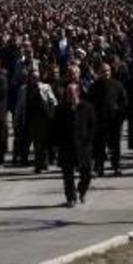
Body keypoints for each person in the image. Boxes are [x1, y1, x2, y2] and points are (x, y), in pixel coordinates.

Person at [53, 65, 96, 207]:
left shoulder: (87, 107)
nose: (70, 95)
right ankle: (70, 197)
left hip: (83, 146)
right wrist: (57, 144)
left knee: (87, 173)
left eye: (73, 93)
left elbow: (92, 126)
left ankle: (82, 190)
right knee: (68, 175)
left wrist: (89, 141)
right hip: (67, 146)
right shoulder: (60, 109)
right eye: (68, 93)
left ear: (78, 93)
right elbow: (56, 128)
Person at [15, 62, 58, 174]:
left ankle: (41, 164)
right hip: (29, 118)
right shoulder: (23, 89)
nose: (34, 79)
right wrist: (17, 120)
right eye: (32, 77)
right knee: (30, 142)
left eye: (36, 77)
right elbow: (19, 106)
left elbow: (53, 101)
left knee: (41, 143)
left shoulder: (45, 87)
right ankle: (34, 162)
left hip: (42, 119)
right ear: (29, 77)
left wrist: (51, 113)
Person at [88, 63, 128, 177]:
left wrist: (120, 114)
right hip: (99, 121)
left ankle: (116, 166)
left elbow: (124, 101)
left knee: (115, 145)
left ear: (110, 72)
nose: (105, 73)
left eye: (107, 71)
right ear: (99, 72)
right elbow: (89, 103)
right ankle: (98, 168)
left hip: (114, 121)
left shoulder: (117, 85)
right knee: (99, 146)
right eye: (103, 71)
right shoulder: (94, 87)